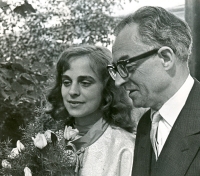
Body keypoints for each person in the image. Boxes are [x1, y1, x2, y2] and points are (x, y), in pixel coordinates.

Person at [107, 6, 200, 176]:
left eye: (125, 65)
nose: (119, 81)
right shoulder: (145, 124)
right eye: (115, 69)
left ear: (165, 58)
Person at [47, 45, 135, 176]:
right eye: (66, 82)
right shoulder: (49, 142)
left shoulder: (124, 147)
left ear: (107, 88)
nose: (73, 91)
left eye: (85, 83)